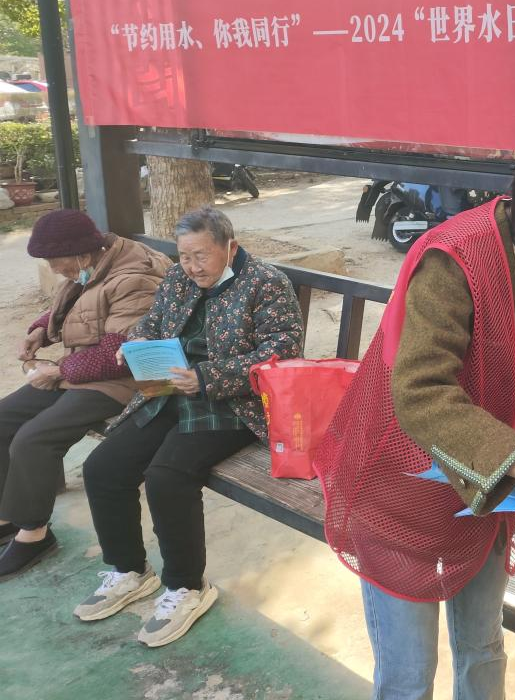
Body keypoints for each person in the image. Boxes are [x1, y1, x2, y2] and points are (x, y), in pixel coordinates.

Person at [316, 118, 515, 700]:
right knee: (409, 675)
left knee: (484, 648)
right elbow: (420, 395)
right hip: (404, 482)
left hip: (490, 486)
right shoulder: (456, 257)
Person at [73, 207, 303, 647]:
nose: (192, 267)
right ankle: (128, 570)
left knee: (168, 477)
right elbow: (155, 322)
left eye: (201, 256)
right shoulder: (179, 279)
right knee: (103, 467)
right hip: (171, 390)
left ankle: (186, 587)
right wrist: (137, 339)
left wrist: (208, 376)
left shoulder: (265, 283)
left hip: (235, 402)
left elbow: (283, 353)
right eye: (184, 257)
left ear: (229, 247)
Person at [0, 209, 169, 579]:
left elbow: (120, 356)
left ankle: (34, 533)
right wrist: (39, 331)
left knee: (34, 439)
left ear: (82, 252)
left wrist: (59, 371)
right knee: (4, 419)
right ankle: (9, 515)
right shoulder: (91, 263)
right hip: (80, 371)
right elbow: (69, 306)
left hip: (125, 380)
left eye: (60, 266)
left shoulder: (135, 278)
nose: (59, 272)